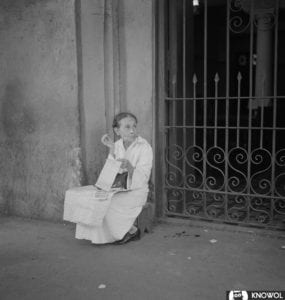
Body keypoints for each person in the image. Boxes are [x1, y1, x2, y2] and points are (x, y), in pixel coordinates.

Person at [75, 112, 153, 244]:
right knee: (95, 199)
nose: (132, 130)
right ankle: (107, 235)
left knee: (109, 203)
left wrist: (130, 167)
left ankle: (131, 231)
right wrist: (111, 149)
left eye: (134, 126)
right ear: (117, 130)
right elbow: (108, 173)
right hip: (117, 187)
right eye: (127, 127)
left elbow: (144, 177)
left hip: (136, 190)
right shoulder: (116, 145)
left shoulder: (144, 147)